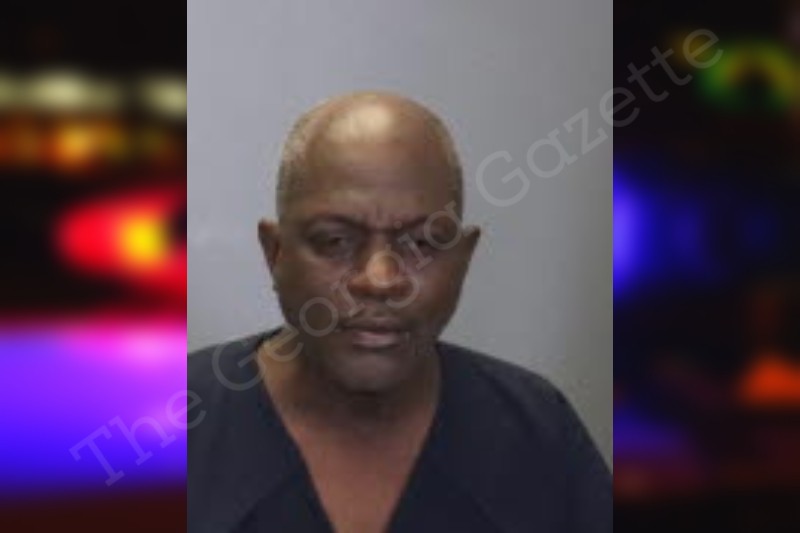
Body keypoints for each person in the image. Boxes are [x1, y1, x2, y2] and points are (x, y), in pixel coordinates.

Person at [188, 91, 611, 533]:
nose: (380, 279)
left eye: (422, 244)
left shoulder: (537, 434)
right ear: (274, 252)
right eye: (335, 241)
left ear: (463, 259)